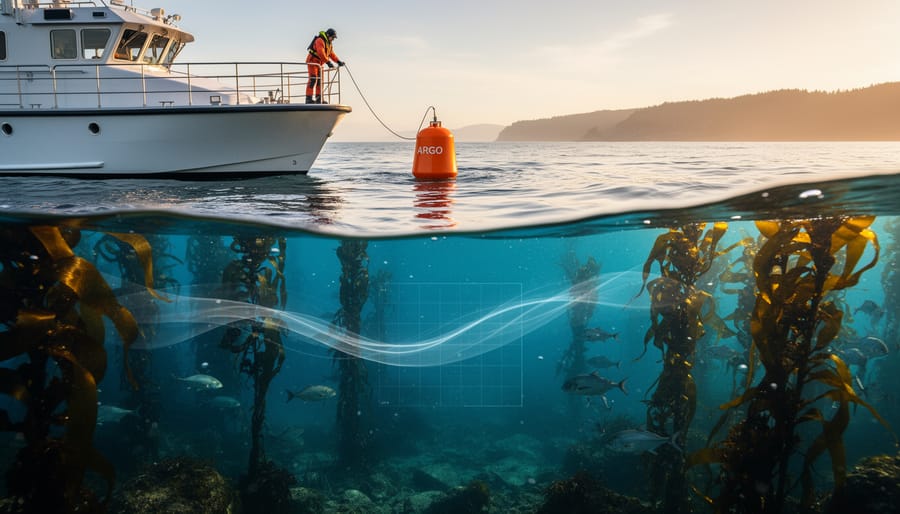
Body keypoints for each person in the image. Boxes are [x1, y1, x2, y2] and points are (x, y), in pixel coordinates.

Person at [306, 28, 345, 104]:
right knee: (313, 79)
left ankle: (319, 99)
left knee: (320, 81)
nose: (333, 39)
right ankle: (308, 99)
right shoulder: (320, 40)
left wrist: (338, 61)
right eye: (333, 37)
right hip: (313, 62)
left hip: (320, 64)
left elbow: (331, 54)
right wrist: (328, 62)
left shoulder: (329, 44)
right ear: (328, 35)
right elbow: (321, 52)